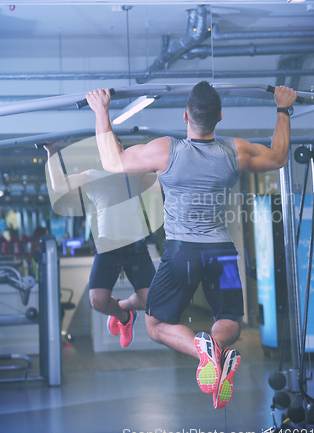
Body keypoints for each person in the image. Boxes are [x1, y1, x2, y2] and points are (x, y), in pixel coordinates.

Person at [86, 82, 297, 408]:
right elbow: (279, 156)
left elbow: (114, 161)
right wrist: (282, 108)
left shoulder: (167, 150)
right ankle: (217, 350)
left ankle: (203, 348)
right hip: (223, 253)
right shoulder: (235, 150)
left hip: (182, 253)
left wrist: (102, 111)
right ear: (221, 117)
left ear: (185, 115)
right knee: (230, 319)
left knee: (156, 324)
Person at [44, 141, 156, 348]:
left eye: (117, 149)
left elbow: (163, 174)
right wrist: (52, 152)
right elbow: (59, 185)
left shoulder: (136, 174)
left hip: (135, 246)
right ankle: (123, 317)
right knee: (98, 301)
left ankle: (124, 307)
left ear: (122, 152)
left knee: (153, 302)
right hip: (108, 247)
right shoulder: (92, 176)